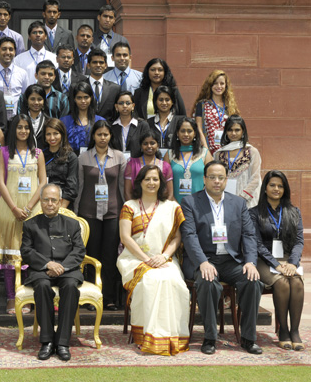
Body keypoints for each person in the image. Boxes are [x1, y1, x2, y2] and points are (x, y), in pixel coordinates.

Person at [180, 160, 264, 355]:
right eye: (212, 177)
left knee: (253, 281)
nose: (216, 181)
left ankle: (248, 338)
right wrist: (202, 262)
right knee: (208, 283)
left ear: (226, 180)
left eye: (221, 177)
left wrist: (250, 262)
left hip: (230, 260)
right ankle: (210, 337)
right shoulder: (190, 202)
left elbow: (249, 235)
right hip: (202, 259)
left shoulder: (238, 203)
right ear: (204, 179)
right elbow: (189, 236)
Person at [117, 165, 189, 356]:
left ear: (161, 183)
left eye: (155, 179)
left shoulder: (172, 207)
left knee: (174, 282)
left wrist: (164, 256)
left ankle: (172, 336)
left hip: (164, 258)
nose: (151, 183)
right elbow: (125, 238)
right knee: (151, 280)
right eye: (147, 179)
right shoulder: (129, 206)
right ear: (139, 182)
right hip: (134, 259)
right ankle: (147, 335)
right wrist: (147, 259)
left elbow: (177, 238)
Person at [21, 184, 85, 361]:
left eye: (53, 200)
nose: (50, 203)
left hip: (68, 269)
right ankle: (47, 341)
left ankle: (63, 342)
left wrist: (62, 267)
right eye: (46, 200)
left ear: (60, 202)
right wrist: (47, 264)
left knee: (71, 286)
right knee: (41, 286)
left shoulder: (72, 224)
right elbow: (26, 251)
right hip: (42, 270)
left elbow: (79, 250)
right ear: (40, 202)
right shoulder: (30, 225)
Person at [0, 114, 47, 315]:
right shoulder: (4, 152)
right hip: (9, 210)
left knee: (30, 255)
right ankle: (11, 297)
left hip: (33, 210)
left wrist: (30, 207)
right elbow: (0, 182)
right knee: (10, 256)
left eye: (26, 127)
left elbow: (43, 182)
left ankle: (28, 296)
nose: (23, 131)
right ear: (13, 129)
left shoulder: (38, 152)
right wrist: (14, 208)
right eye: (19, 127)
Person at [250, 170, 305, 351]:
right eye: (272, 185)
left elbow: (298, 241)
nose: (276, 189)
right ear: (265, 188)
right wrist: (276, 264)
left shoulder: (293, 211)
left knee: (296, 282)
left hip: (288, 259)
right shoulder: (254, 213)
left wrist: (292, 263)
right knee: (282, 283)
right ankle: (283, 330)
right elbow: (256, 244)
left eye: (280, 186)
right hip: (264, 260)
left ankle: (295, 331)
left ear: (285, 189)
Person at [75, 120, 126, 310]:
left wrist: (125, 212)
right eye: (99, 134)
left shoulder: (120, 157)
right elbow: (80, 187)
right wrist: (76, 214)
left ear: (111, 136)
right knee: (91, 255)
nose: (102, 138)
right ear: (93, 136)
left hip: (113, 213)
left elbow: (122, 187)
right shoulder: (83, 158)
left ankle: (109, 298)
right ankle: (90, 297)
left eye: (106, 134)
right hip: (88, 213)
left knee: (110, 256)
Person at [214, 115, 261, 208]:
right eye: (230, 130)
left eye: (237, 130)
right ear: (225, 132)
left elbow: (255, 178)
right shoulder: (219, 154)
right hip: (224, 201)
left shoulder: (252, 151)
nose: (233, 133)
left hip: (247, 202)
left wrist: (242, 198)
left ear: (243, 131)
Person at [164, 117, 213, 203]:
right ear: (177, 134)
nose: (186, 134)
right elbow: (164, 182)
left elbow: (211, 179)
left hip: (200, 205)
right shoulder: (169, 154)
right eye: (182, 131)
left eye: (189, 131)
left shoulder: (204, 153)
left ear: (194, 134)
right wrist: (175, 205)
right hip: (174, 205)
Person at [192, 70, 240, 155]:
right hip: (207, 149)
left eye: (222, 83)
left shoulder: (230, 106)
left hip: (228, 150)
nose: (219, 86)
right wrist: (206, 151)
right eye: (215, 83)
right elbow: (198, 128)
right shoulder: (202, 105)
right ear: (210, 85)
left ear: (226, 86)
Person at [0, 37, 29, 119]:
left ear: (15, 52)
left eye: (11, 49)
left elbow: (26, 97)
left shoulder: (22, 73)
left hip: (16, 119)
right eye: (4, 49)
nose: (7, 52)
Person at [124, 131, 173, 200]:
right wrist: (134, 209)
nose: (149, 146)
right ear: (141, 146)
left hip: (160, 207)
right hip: (137, 207)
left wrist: (163, 209)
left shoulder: (165, 166)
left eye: (152, 143)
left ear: (158, 145)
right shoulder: (132, 164)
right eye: (145, 144)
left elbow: (170, 193)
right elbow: (127, 192)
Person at [60, 81, 106, 155]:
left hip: (94, 162)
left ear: (91, 98)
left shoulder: (100, 121)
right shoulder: (64, 121)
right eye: (79, 98)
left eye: (86, 97)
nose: (83, 101)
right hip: (70, 162)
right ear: (74, 99)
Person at [43, 118, 78, 208]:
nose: (52, 138)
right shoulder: (41, 155)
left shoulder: (71, 157)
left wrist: (61, 209)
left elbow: (71, 187)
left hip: (64, 204)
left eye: (56, 133)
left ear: (62, 134)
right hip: (44, 203)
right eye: (48, 134)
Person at [14, 21, 57, 86]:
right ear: (29, 36)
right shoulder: (19, 59)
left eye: (40, 32)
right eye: (34, 32)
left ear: (45, 36)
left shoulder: (54, 58)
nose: (38, 35)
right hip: (26, 95)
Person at [110, 90, 150, 159]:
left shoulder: (142, 125)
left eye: (128, 103)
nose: (124, 106)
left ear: (133, 106)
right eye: (121, 103)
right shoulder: (111, 126)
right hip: (116, 165)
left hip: (137, 165)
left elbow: (147, 148)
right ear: (116, 106)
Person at [147, 85, 185, 154]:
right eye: (161, 100)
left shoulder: (181, 121)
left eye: (167, 100)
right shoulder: (148, 123)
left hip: (175, 160)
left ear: (172, 101)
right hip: (154, 161)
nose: (164, 103)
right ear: (155, 101)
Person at [87, 48, 121, 121]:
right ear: (88, 65)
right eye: (95, 62)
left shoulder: (115, 88)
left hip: (107, 129)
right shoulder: (78, 86)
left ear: (106, 65)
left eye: (101, 62)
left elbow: (116, 114)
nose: (98, 65)